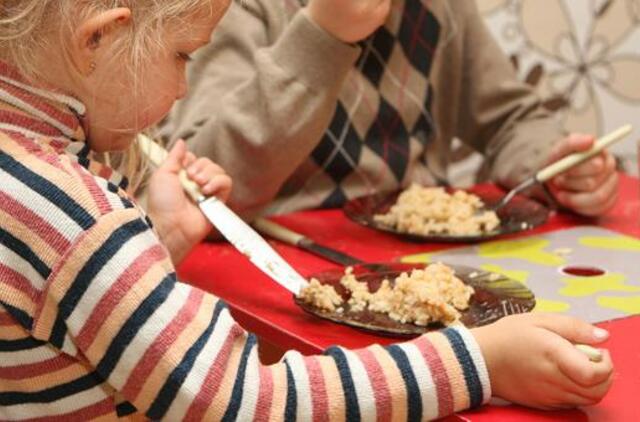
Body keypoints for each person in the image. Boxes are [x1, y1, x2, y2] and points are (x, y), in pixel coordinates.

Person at [0, 0, 613, 420]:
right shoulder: (76, 219)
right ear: (97, 39)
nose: (184, 87)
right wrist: (480, 360)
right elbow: (244, 402)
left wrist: (155, 227)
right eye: (184, 56)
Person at [160, 0, 619, 219]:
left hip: (418, 256)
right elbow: (203, 182)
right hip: (280, 259)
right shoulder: (239, 9)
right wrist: (323, 35)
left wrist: (550, 163)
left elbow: (511, 120)